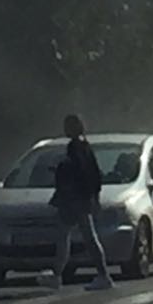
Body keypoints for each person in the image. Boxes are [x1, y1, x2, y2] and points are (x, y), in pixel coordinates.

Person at [41, 113, 113, 292]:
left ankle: (102, 275)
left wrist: (61, 170)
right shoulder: (84, 146)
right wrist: (94, 196)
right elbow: (93, 173)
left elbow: (82, 172)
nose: (65, 129)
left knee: (78, 237)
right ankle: (58, 275)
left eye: (68, 125)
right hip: (79, 198)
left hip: (75, 199)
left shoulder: (76, 147)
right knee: (69, 236)